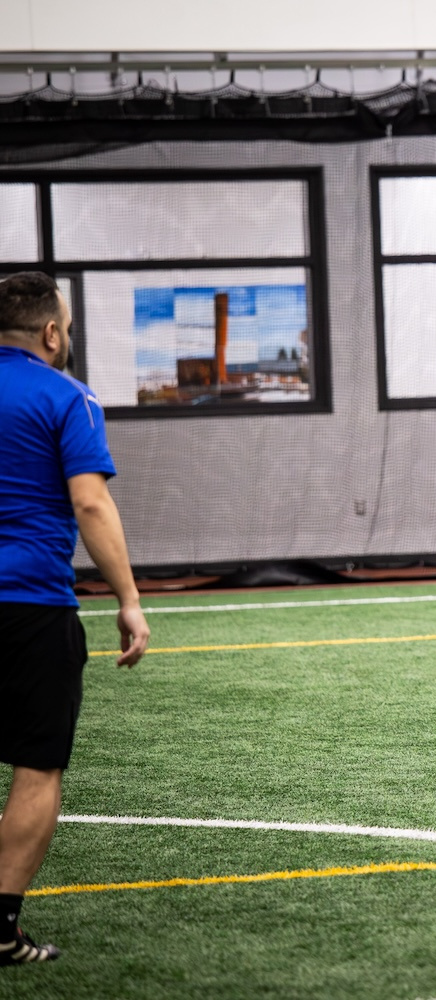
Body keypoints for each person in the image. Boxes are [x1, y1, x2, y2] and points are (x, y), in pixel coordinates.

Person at [0, 272, 149, 967]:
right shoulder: (68, 397)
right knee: (37, 765)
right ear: (52, 332)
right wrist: (128, 599)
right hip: (31, 606)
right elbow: (90, 503)